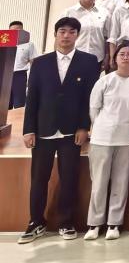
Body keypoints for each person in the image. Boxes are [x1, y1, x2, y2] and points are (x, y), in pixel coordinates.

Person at [19, 17, 100, 244]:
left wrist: (84, 126)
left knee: (69, 178)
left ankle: (66, 222)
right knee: (39, 179)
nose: (66, 35)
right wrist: (28, 129)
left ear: (77, 35)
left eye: (71, 32)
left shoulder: (89, 61)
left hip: (71, 131)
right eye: (62, 31)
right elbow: (32, 98)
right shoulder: (40, 62)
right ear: (55, 34)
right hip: (43, 130)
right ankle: (36, 222)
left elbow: (90, 99)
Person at [85, 41, 129, 240]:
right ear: (115, 58)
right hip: (102, 137)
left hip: (127, 138)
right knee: (99, 182)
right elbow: (94, 108)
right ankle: (94, 224)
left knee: (121, 182)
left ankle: (114, 224)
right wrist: (102, 126)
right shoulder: (105, 80)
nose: (125, 57)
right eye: (121, 54)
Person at [63, 0, 111, 65]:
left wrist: (107, 56)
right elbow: (60, 35)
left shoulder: (104, 13)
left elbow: (107, 37)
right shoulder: (69, 12)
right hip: (72, 57)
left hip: (96, 58)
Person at [8, 20, 37, 109]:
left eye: (18, 31)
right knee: (4, 103)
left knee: (19, 103)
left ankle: (18, 118)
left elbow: (33, 62)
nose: (16, 33)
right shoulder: (4, 43)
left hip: (19, 76)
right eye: (13, 31)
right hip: (5, 75)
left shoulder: (29, 44)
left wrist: (32, 79)